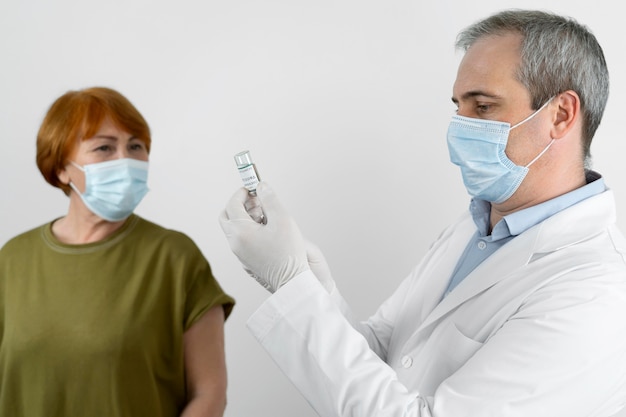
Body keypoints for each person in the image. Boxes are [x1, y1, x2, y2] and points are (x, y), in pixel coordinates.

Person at [219, 9, 626, 417]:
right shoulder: (477, 225)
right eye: (459, 107)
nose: (458, 128)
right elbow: (388, 353)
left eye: (483, 107)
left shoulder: (594, 291)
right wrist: (311, 285)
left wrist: (292, 287)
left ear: (561, 115)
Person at [0, 87, 235, 417]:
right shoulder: (12, 260)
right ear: (60, 168)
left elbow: (209, 392)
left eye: (135, 146)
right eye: (104, 148)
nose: (125, 160)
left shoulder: (175, 259)